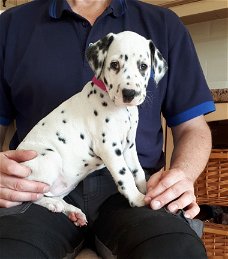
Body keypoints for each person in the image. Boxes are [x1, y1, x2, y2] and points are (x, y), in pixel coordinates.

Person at [0, 0, 215, 258]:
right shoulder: (10, 25)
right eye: (115, 65)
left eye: (142, 68)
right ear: (101, 63)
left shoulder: (164, 24)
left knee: (177, 251)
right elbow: (108, 147)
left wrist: (182, 175)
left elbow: (193, 128)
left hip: (130, 190)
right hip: (36, 185)